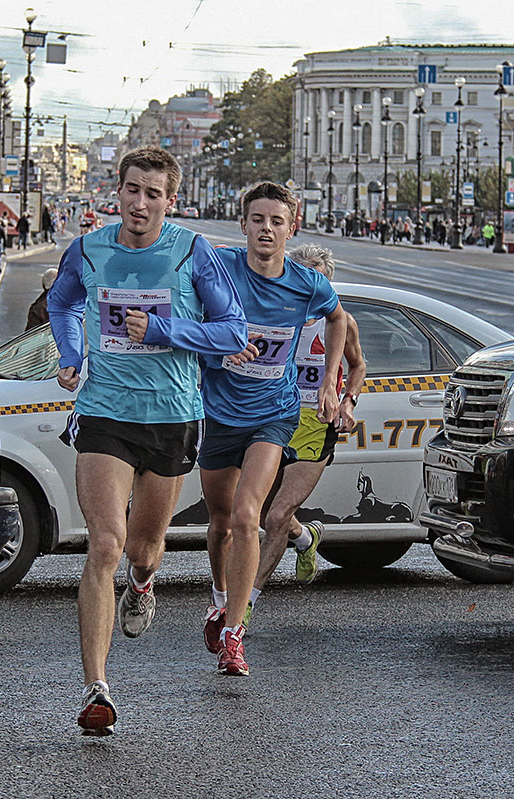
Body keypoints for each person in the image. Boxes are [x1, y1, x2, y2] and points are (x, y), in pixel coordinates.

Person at [47, 146, 246, 736]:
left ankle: (143, 583)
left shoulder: (193, 252)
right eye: (132, 190)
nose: (139, 203)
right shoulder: (88, 249)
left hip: (172, 415)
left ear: (170, 200)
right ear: (119, 190)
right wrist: (70, 352)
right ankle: (96, 690)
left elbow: (232, 330)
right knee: (104, 545)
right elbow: (61, 303)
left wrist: (162, 328)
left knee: (142, 547)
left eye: (152, 194)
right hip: (105, 411)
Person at [199, 181, 346, 677]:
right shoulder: (221, 270)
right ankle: (220, 603)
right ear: (243, 225)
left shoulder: (307, 283)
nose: (267, 229)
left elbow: (338, 318)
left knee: (247, 516)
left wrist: (330, 383)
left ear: (292, 226)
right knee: (220, 523)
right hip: (219, 411)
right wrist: (217, 349)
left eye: (276, 221)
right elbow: (187, 320)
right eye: (258, 219)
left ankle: (236, 635)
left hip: (273, 413)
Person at [247, 243, 366, 625]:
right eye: (300, 272)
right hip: (271, 418)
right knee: (262, 511)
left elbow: (359, 365)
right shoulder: (278, 313)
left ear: (326, 281)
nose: (307, 281)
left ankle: (246, 605)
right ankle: (305, 538)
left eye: (316, 275)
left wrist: (347, 401)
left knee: (279, 512)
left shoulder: (341, 322)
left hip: (315, 424)